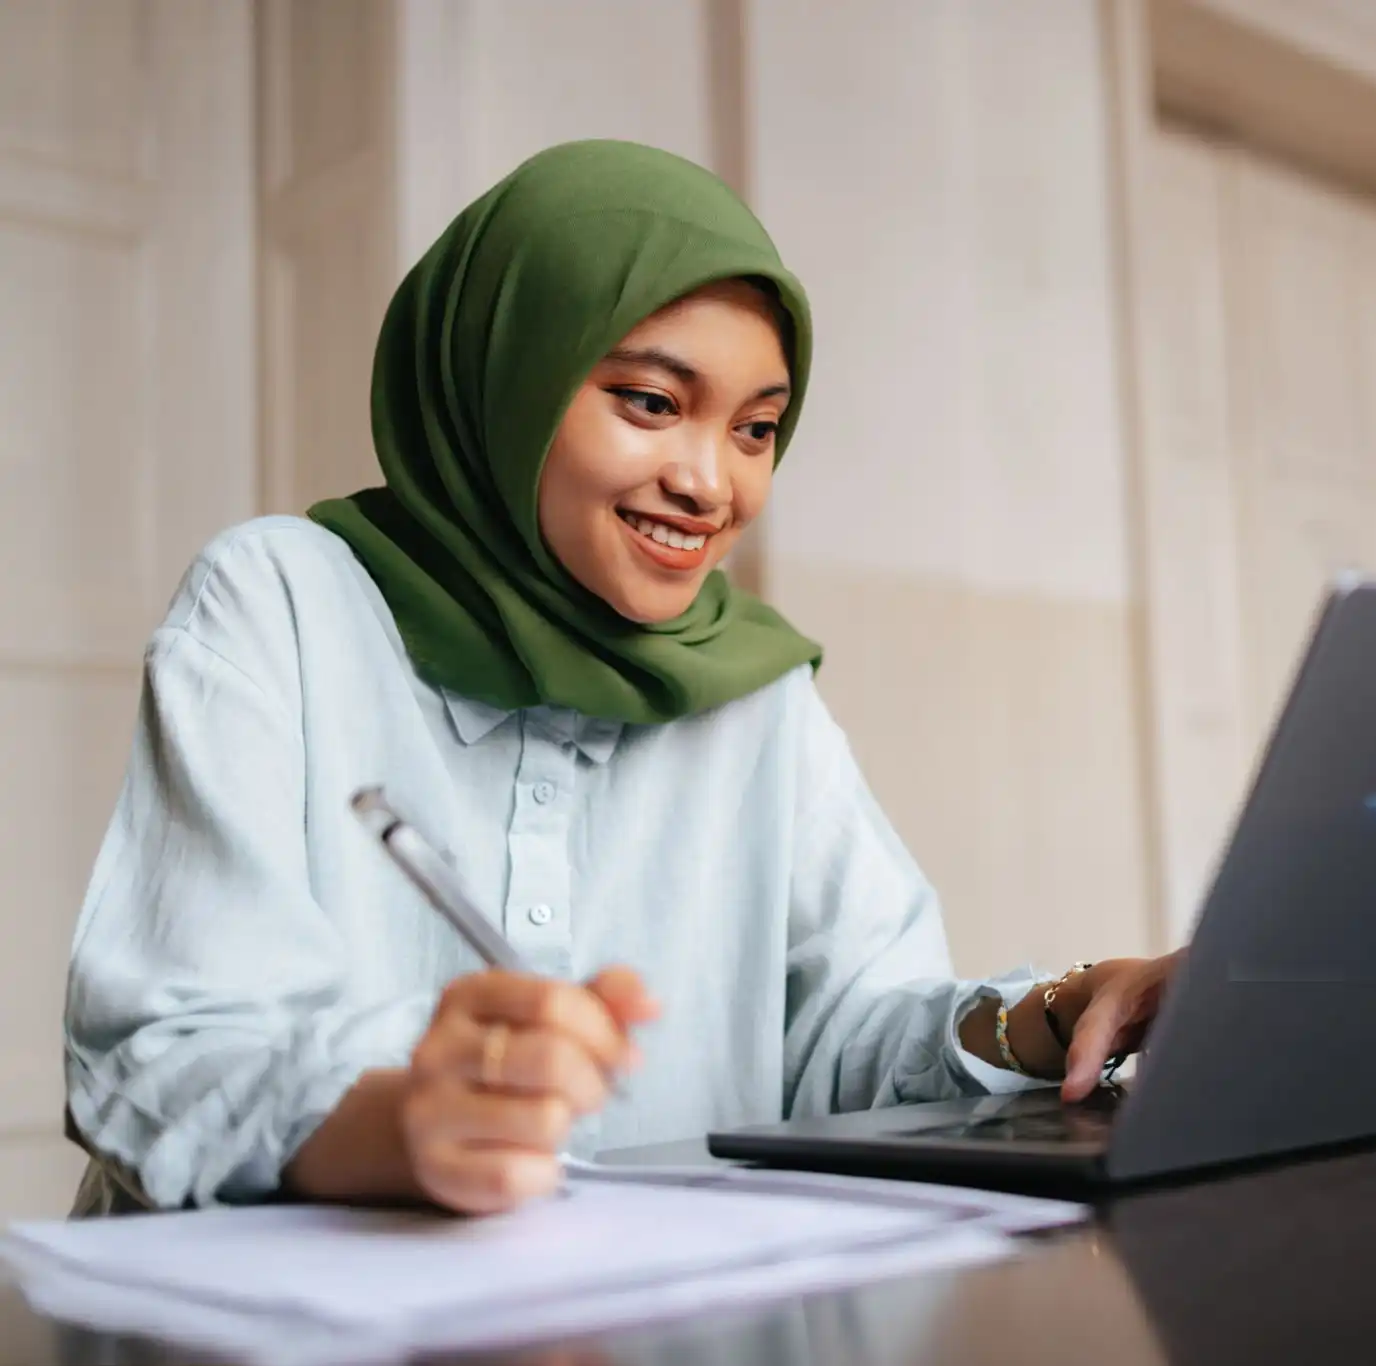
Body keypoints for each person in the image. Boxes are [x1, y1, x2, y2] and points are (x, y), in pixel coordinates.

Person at [64, 140, 1181, 1216]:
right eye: (650, 402)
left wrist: (1058, 1013)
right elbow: (165, 1052)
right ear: (508, 374)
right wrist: (399, 1121)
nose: (710, 482)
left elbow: (846, 1044)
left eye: (755, 429)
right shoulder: (283, 601)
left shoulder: (751, 686)